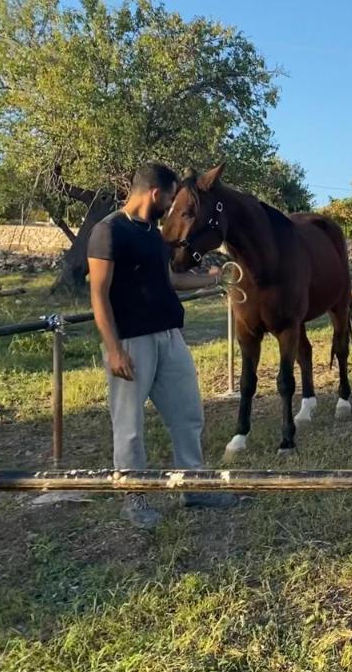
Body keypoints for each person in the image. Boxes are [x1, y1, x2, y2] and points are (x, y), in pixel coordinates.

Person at [87, 163, 238, 528]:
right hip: (131, 341)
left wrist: (210, 279)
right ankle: (134, 498)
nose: (171, 206)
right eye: (170, 198)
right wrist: (114, 348)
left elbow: (169, 279)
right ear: (155, 193)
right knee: (129, 425)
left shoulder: (153, 236)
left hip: (169, 336)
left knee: (188, 414)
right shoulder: (108, 232)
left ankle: (193, 486)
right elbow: (98, 295)